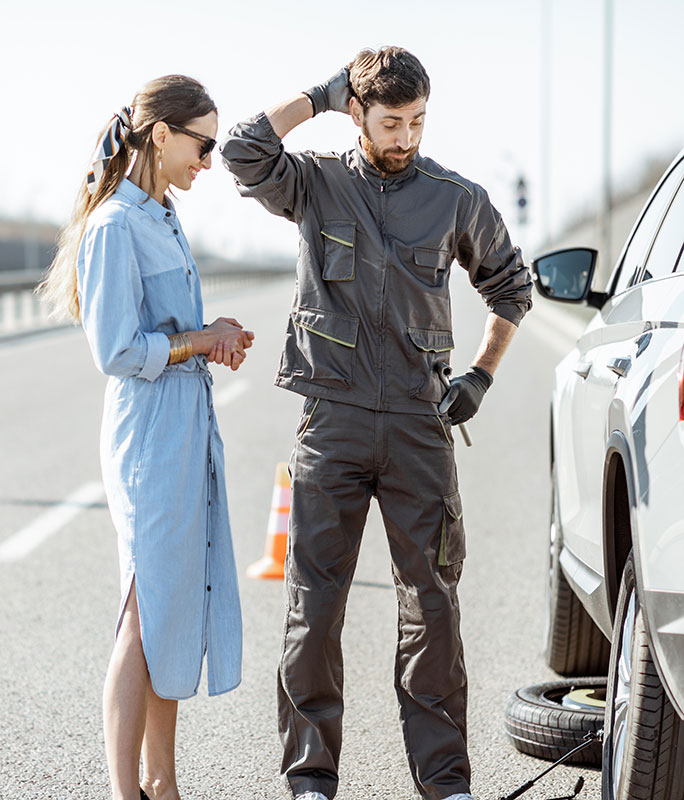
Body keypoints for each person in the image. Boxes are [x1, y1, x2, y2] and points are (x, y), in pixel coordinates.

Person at [221, 47, 532, 800]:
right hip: (333, 421)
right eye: (391, 121)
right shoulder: (317, 183)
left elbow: (511, 289)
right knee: (314, 605)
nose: (406, 136)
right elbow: (242, 148)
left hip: (421, 429)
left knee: (432, 605)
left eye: (418, 120)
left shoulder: (456, 198)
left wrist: (481, 378)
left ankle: (445, 782)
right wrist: (320, 94)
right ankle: (310, 780)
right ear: (357, 114)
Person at [40, 75, 254, 800]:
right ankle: (124, 792)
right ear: (160, 135)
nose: (209, 161)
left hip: (185, 427)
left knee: (171, 606)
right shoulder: (113, 227)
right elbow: (117, 351)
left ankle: (164, 784)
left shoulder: (163, 215)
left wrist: (211, 337)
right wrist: (200, 339)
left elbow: (167, 332)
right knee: (144, 607)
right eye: (203, 144)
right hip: (149, 438)